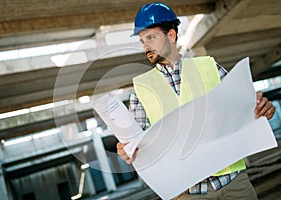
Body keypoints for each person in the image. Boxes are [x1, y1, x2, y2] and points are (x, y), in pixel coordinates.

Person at [116, 2, 276, 200]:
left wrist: (263, 109)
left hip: (234, 183)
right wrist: (127, 151)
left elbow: (243, 109)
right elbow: (136, 146)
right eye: (142, 41)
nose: (146, 46)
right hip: (189, 194)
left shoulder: (209, 67)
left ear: (171, 35)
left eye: (150, 37)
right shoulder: (140, 91)